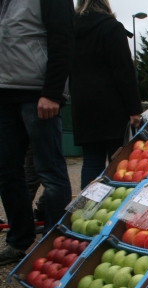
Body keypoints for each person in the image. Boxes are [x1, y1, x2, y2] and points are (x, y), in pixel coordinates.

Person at [0, 0, 75, 265]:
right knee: (7, 171)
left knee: (50, 171)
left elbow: (63, 39)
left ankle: (53, 245)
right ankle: (20, 241)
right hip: (5, 93)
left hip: (38, 94)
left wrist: (52, 92)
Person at [70, 0, 142, 189]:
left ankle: (86, 211)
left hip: (83, 107)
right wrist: (134, 109)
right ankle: (115, 210)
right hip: (112, 108)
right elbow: (124, 71)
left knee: (91, 162)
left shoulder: (71, 29)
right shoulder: (111, 28)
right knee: (119, 161)